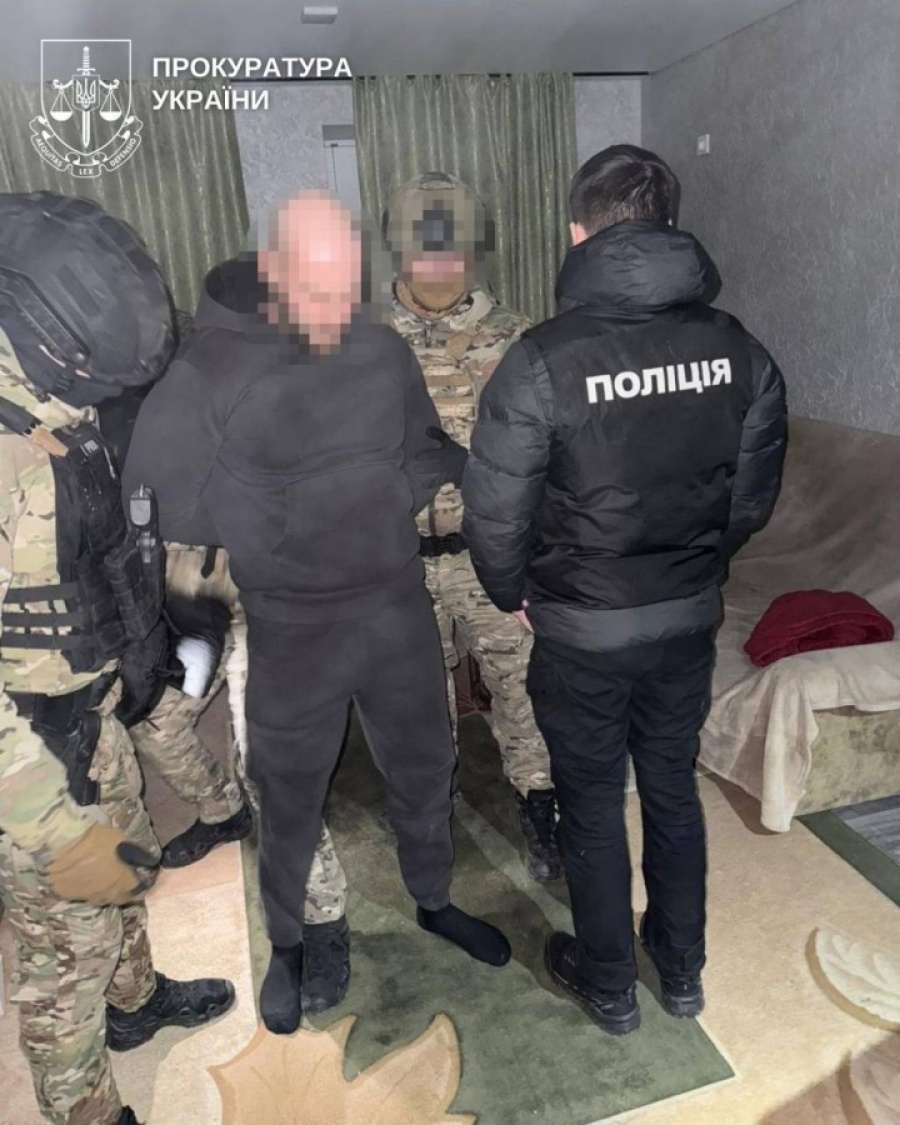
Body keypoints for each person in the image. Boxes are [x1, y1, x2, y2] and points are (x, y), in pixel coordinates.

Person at [123, 190, 511, 1037]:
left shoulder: (377, 349)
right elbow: (155, 502)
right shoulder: (209, 370)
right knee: (289, 794)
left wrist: (398, 495)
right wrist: (253, 548)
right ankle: (302, 940)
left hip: (393, 604)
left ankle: (433, 898)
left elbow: (422, 450)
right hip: (285, 624)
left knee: (425, 767)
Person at [462, 145, 788, 1035]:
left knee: (593, 801)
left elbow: (495, 511)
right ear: (669, 224)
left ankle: (610, 982)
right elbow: (749, 501)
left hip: (581, 629)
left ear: (579, 231)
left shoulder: (540, 360)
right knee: (672, 789)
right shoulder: (741, 352)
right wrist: (692, 568)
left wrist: (510, 591)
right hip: (684, 618)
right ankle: (681, 972)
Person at [0, 192, 234, 1125]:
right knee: (65, 963)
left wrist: (148, 644)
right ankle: (86, 1111)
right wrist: (53, 826)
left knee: (127, 875)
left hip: (87, 717)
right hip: (28, 773)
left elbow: (96, 552)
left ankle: (136, 1003)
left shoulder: (48, 409)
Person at [385, 172, 560, 882]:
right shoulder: (362, 338)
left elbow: (549, 453)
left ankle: (540, 801)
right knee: (414, 700)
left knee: (525, 687)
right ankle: (431, 810)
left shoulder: (518, 336)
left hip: (490, 554)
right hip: (396, 559)